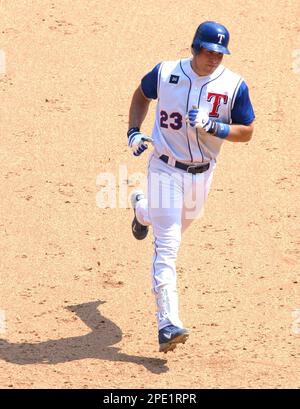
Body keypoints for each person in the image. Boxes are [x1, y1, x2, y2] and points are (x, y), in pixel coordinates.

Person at [127, 21, 255, 353]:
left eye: (220, 54)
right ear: (195, 48)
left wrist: (216, 127)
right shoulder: (166, 72)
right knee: (167, 246)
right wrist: (134, 131)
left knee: (172, 224)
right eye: (209, 52)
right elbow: (141, 94)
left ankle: (142, 211)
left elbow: (247, 131)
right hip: (164, 169)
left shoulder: (233, 85)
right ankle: (167, 323)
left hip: (203, 175)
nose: (214, 59)